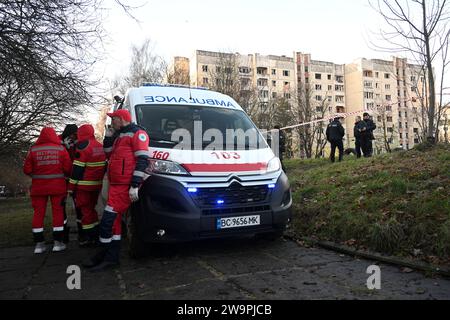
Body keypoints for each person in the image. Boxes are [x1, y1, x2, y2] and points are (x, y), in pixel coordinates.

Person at [84, 109, 150, 272]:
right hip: (116, 185)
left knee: (107, 222)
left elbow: (142, 160)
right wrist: (108, 135)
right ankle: (111, 258)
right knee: (113, 223)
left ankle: (103, 255)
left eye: (113, 119)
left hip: (124, 186)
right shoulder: (120, 135)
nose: (111, 122)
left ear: (121, 119)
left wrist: (135, 185)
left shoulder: (137, 134)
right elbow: (107, 153)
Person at [23, 127, 72, 254]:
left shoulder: (33, 149)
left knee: (38, 214)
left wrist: (36, 175)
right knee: (58, 213)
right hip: (58, 187)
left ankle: (39, 245)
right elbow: (68, 168)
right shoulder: (61, 149)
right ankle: (58, 243)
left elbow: (27, 170)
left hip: (38, 188)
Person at [68, 124, 106, 247]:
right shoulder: (100, 146)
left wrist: (71, 188)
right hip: (97, 185)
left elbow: (77, 170)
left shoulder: (83, 146)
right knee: (91, 210)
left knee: (86, 212)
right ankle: (96, 234)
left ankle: (91, 238)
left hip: (84, 186)